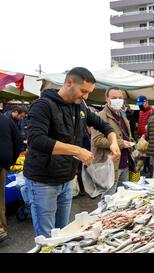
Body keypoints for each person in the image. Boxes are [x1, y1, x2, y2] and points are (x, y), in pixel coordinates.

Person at [23, 67, 121, 238]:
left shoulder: (80, 105)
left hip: (67, 179)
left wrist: (113, 142)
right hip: (42, 182)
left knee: (64, 232)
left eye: (89, 92)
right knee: (46, 237)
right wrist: (77, 150)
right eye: (83, 91)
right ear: (69, 83)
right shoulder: (43, 106)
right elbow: (36, 140)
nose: (86, 96)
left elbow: (103, 125)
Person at [92, 87, 133, 197]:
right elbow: (97, 140)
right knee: (108, 199)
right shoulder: (101, 116)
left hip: (125, 164)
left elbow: (125, 135)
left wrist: (132, 143)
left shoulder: (122, 115)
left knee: (123, 198)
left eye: (120, 98)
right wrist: (121, 143)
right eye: (114, 98)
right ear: (107, 99)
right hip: (110, 165)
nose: (118, 100)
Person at [0, 114, 21, 243]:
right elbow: (18, 141)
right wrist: (11, 160)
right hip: (2, 161)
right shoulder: (7, 120)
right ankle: (1, 228)